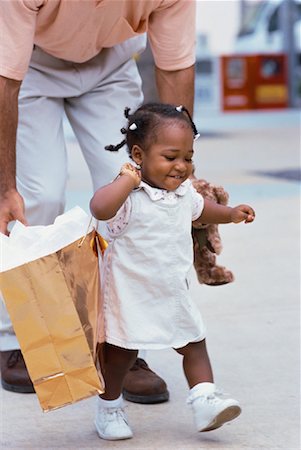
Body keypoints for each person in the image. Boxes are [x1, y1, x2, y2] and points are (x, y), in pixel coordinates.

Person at [0, 0, 196, 401]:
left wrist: (179, 176)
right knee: (38, 196)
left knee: (136, 193)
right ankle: (17, 338)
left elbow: (175, 66)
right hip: (30, 64)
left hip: (110, 65)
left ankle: (124, 345)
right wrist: (5, 185)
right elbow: (6, 80)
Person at [90, 102, 255, 441]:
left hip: (171, 290)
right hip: (129, 295)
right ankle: (108, 408)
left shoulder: (183, 194)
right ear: (139, 154)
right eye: (171, 157)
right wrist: (125, 180)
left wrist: (232, 213)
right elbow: (100, 209)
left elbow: (203, 211)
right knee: (121, 354)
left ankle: (205, 399)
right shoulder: (130, 196)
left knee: (194, 343)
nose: (182, 166)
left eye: (188, 157)